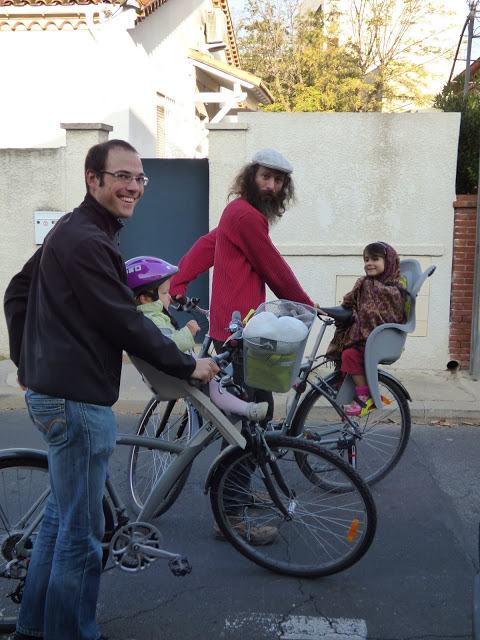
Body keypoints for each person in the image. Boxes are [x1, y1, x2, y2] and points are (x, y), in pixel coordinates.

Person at [3, 139, 218, 640]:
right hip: (76, 401)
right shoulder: (87, 241)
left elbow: (16, 291)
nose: (134, 187)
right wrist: (188, 364)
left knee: (60, 522)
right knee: (81, 537)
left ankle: (33, 629)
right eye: (123, 176)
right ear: (92, 178)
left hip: (60, 392)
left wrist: (27, 361)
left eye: (140, 178)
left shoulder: (73, 230)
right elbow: (123, 320)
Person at [169, 148, 318, 544]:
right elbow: (273, 267)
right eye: (265, 177)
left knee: (250, 415)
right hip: (240, 335)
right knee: (247, 419)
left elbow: (208, 244)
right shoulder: (246, 216)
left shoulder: (236, 213)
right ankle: (230, 515)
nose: (271, 186)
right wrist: (305, 308)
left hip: (235, 330)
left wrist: (180, 280)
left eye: (279, 180)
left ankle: (237, 490)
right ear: (252, 176)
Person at [126, 255, 268, 423]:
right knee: (215, 387)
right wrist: (187, 332)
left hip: (177, 367)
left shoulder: (149, 317)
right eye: (164, 293)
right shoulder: (152, 320)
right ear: (145, 299)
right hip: (177, 371)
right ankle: (247, 409)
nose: (169, 297)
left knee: (216, 375)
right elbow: (166, 346)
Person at [325, 241, 407, 416]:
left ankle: (364, 396)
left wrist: (361, 318)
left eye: (375, 259)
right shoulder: (363, 283)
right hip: (363, 337)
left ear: (389, 262)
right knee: (345, 351)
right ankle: (343, 385)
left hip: (380, 339)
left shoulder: (393, 291)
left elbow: (387, 316)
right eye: (366, 259)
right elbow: (350, 303)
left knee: (350, 354)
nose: (369, 263)